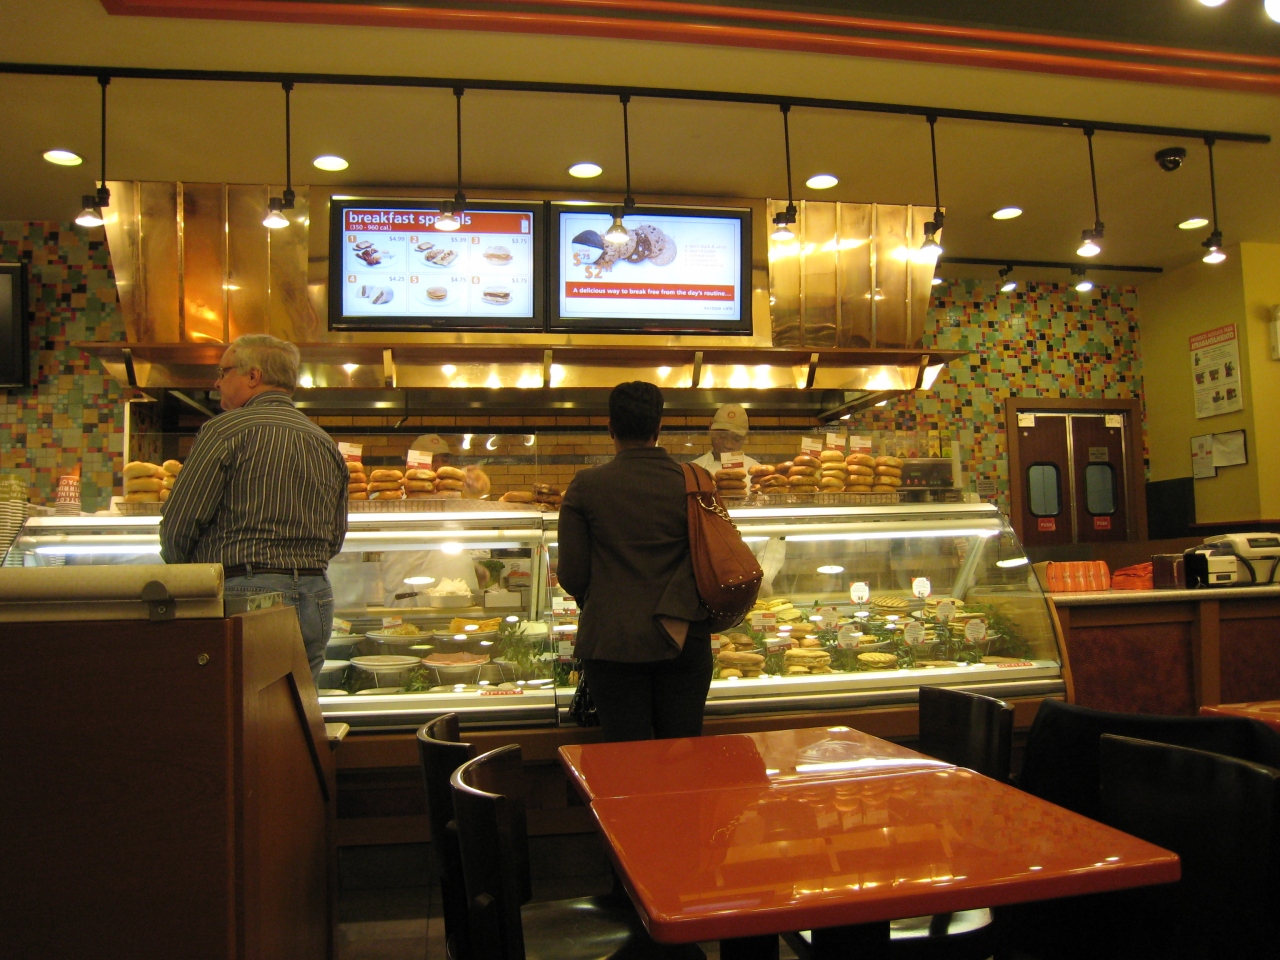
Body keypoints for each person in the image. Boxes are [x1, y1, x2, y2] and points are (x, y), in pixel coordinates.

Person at [159, 334, 349, 685]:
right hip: (315, 595)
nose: (217, 382)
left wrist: (192, 580)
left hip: (243, 594)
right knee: (297, 709)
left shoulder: (224, 431)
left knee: (238, 707)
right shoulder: (324, 442)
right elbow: (335, 538)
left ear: (252, 376)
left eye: (223, 372)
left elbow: (179, 525)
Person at [557, 381, 713, 742]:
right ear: (658, 428)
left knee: (629, 758)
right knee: (682, 755)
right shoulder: (695, 481)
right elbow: (712, 559)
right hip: (684, 640)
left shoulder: (586, 486)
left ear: (610, 428)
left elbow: (572, 576)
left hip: (613, 646)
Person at [691, 402, 760, 472]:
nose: (728, 445)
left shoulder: (756, 472)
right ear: (710, 429)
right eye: (722, 436)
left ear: (745, 436)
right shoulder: (692, 471)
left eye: (736, 439)